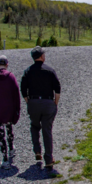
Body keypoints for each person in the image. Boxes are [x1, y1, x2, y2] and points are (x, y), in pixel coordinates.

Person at [20, 46, 61, 175]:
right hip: (48, 102)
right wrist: (55, 103)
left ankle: (37, 152)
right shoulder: (49, 70)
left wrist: (28, 101)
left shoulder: (28, 71)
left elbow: (23, 88)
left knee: (34, 126)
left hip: (33, 102)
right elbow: (57, 88)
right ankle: (49, 159)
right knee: (47, 130)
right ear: (42, 56)